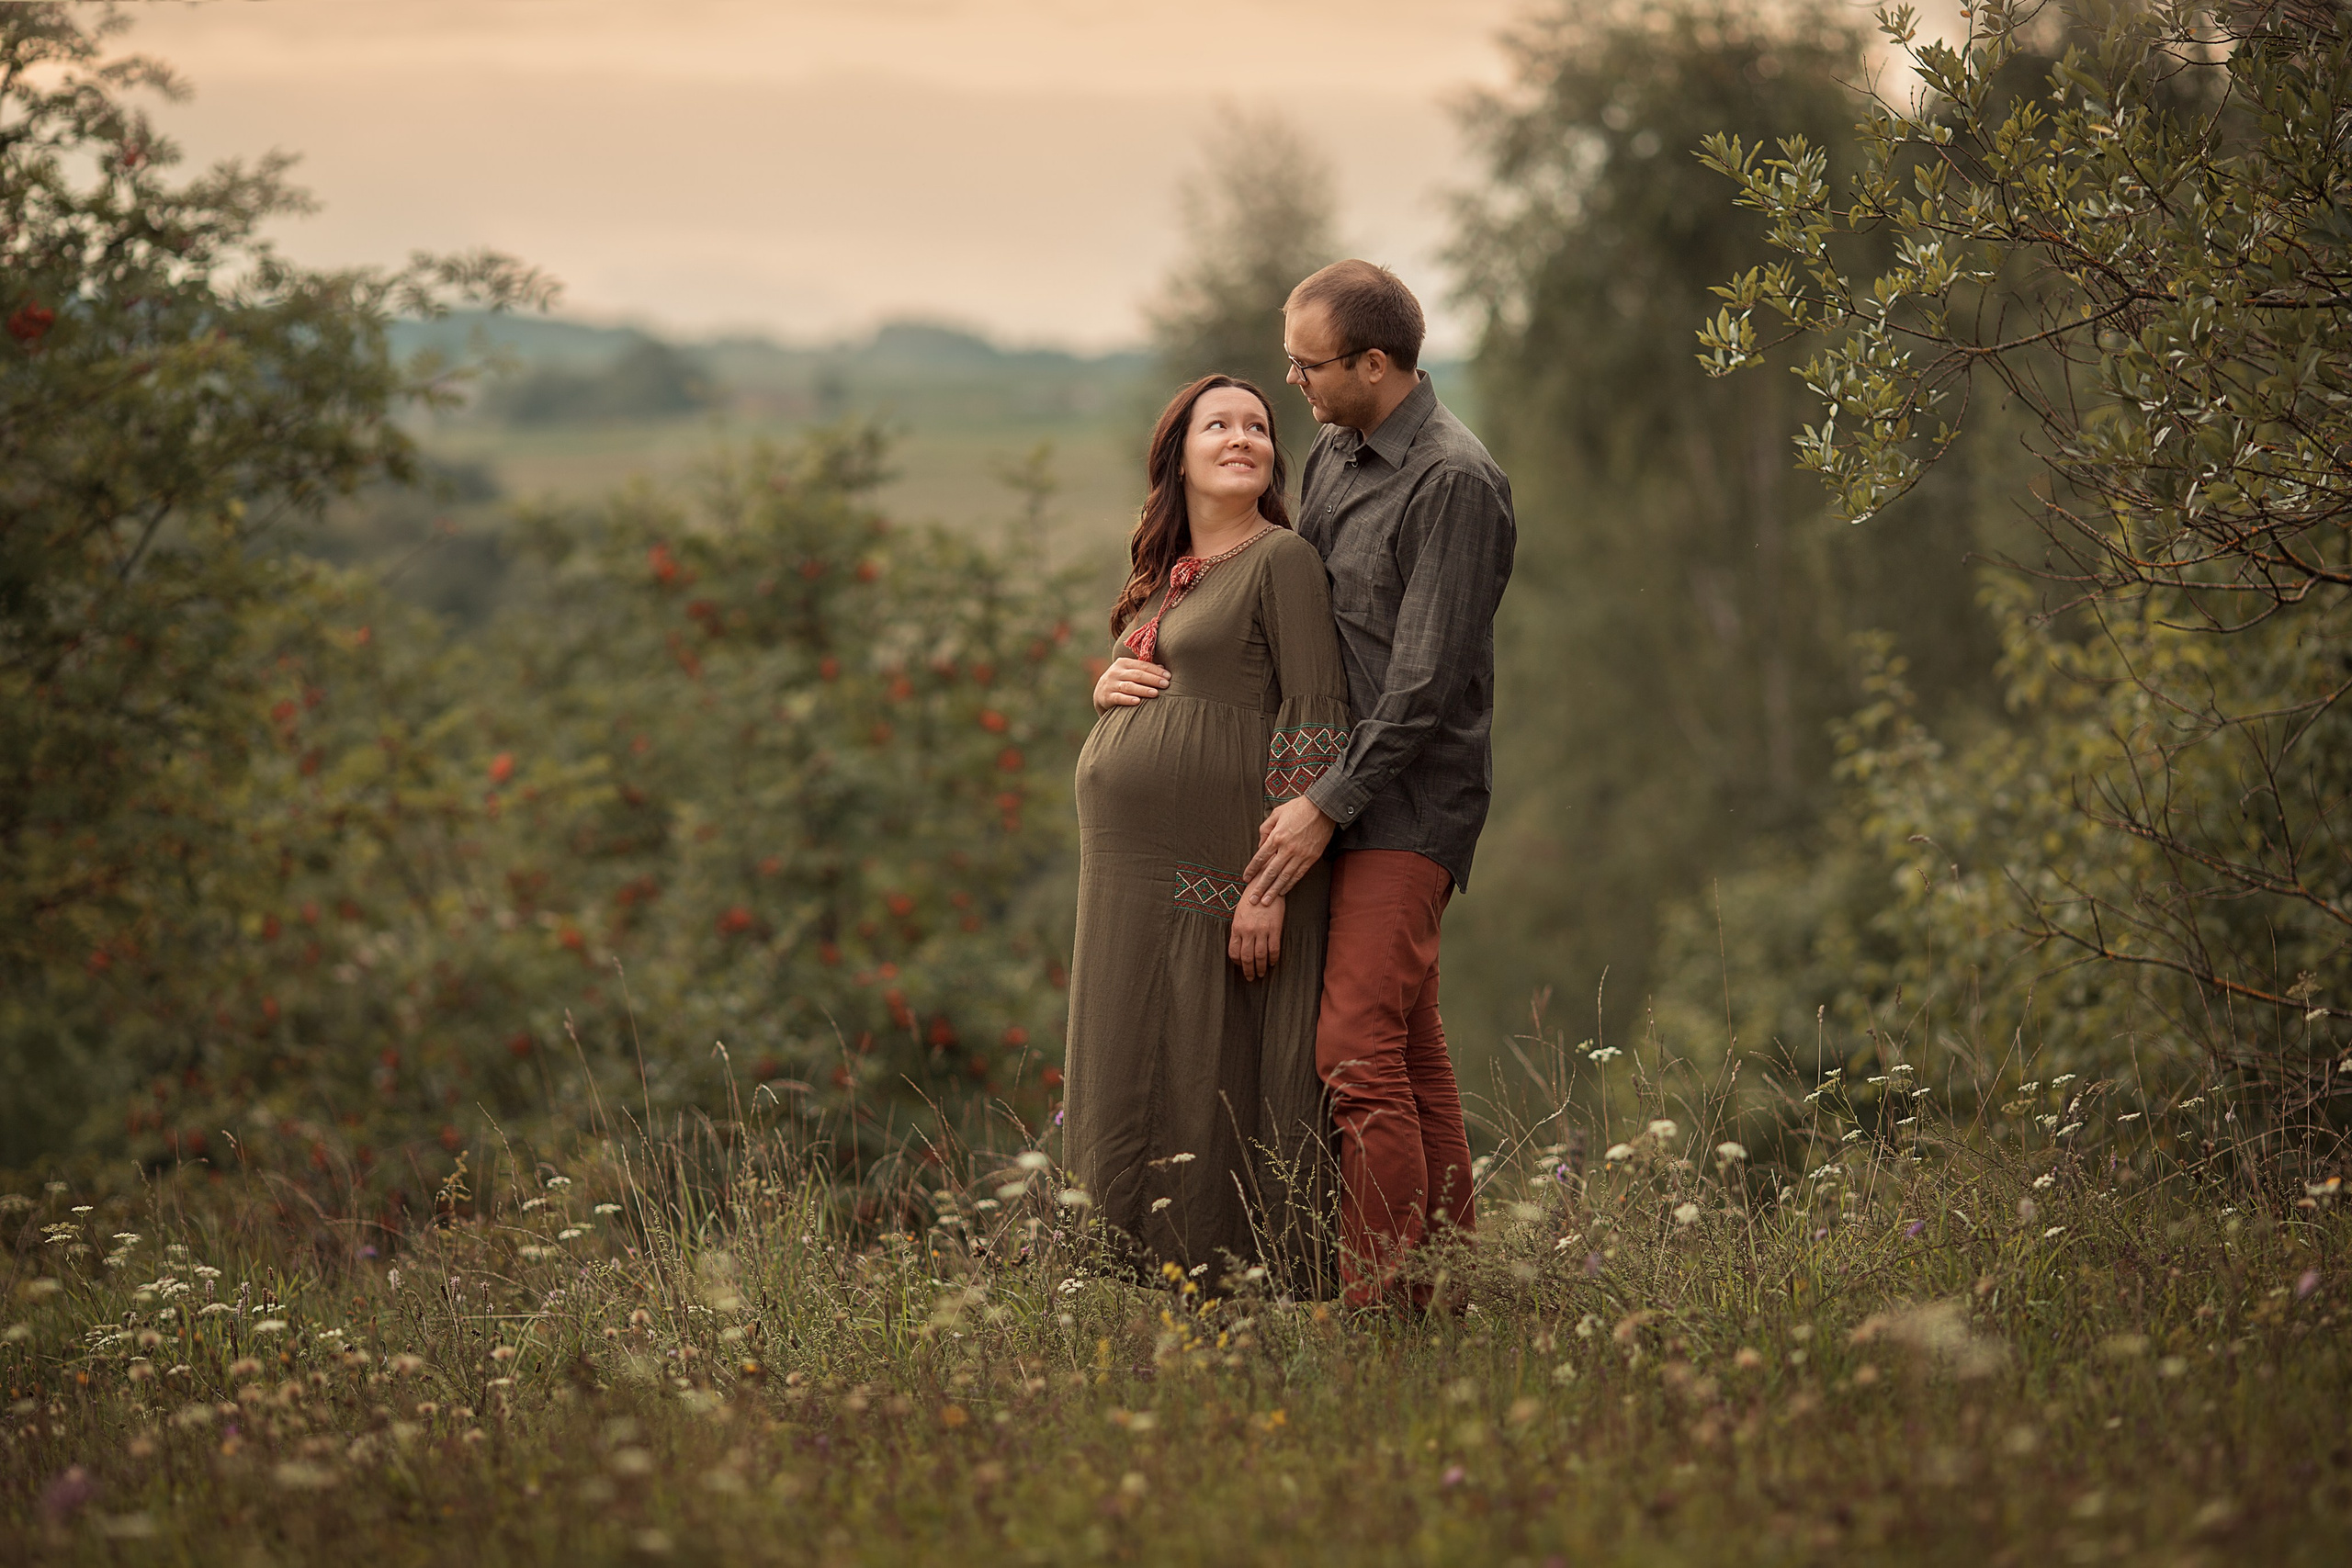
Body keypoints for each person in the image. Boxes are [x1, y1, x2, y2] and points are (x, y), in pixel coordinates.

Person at [1242, 260, 1517, 1311]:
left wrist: (1325, 806)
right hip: (1344, 794)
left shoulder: (1452, 481)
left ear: (1372, 362)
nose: (1293, 382)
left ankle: (1385, 1310)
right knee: (1408, 1053)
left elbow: (1423, 685)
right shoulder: (1334, 453)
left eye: (1307, 365)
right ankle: (1446, 1294)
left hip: (1407, 809)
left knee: (1355, 1053)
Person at [1064, 374, 1352, 1292]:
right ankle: (1123, 1279)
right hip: (1129, 885)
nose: (1242, 438)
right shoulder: (1168, 578)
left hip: (1221, 880)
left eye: (1258, 426)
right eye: (1217, 425)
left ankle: (1230, 1292)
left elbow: (1314, 718)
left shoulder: (1282, 560)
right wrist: (1107, 685)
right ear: (1177, 457)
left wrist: (1266, 888)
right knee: (1125, 1062)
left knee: (1202, 1073)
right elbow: (1172, 687)